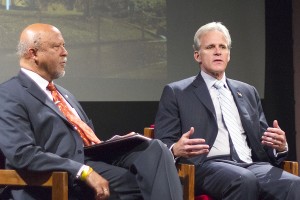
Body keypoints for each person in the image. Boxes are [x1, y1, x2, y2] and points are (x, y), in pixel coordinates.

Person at [0, 23, 183, 200]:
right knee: (142, 184)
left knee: (155, 149)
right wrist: (81, 170)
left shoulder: (64, 94)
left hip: (94, 156)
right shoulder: (9, 94)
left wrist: (113, 143)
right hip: (63, 173)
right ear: (34, 54)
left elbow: (85, 137)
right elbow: (21, 154)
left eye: (64, 46)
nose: (65, 52)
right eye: (57, 47)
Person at [154, 21, 300, 200]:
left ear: (228, 55)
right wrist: (175, 149)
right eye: (210, 47)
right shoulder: (177, 92)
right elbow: (163, 143)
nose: (217, 51)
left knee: (294, 184)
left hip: (251, 164)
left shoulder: (247, 91)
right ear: (197, 55)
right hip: (206, 166)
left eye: (222, 47)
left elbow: (262, 144)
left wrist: (280, 146)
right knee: (244, 180)